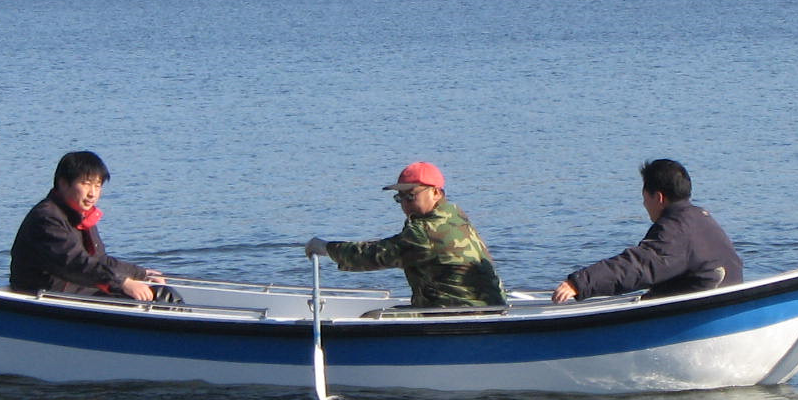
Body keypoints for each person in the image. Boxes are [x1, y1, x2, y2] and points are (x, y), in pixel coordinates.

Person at [305, 162, 507, 308]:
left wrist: (326, 248)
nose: (404, 203)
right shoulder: (457, 217)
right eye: (399, 197)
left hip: (457, 314)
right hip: (487, 309)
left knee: (373, 318)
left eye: (411, 196)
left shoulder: (424, 233)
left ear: (436, 193)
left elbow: (372, 255)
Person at [553, 159, 742, 303]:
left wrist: (580, 283)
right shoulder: (702, 218)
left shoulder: (675, 229)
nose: (644, 204)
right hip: (724, 301)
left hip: (702, 312)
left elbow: (639, 265)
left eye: (644, 197)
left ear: (658, 197)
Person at [10, 151, 175, 302]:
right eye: (86, 184)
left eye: (98, 185)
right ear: (63, 184)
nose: (92, 193)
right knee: (149, 298)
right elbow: (76, 263)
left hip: (76, 288)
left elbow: (100, 260)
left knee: (161, 293)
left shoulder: (80, 214)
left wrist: (141, 274)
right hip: (48, 295)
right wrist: (123, 283)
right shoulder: (47, 218)